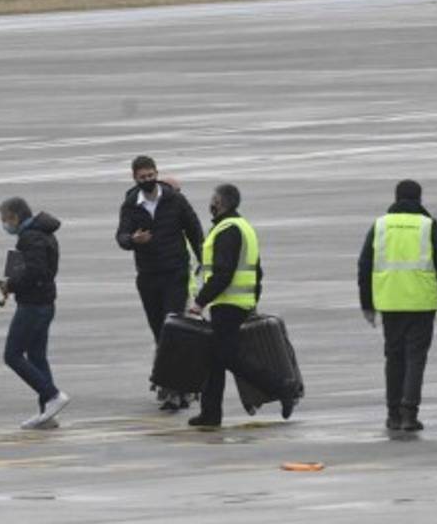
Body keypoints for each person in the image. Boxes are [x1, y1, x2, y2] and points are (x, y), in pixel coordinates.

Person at [188, 184, 299, 428]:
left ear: (220, 202)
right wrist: (253, 300)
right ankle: (210, 413)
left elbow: (223, 273)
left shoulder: (227, 230)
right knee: (214, 358)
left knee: (226, 355)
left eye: (213, 200)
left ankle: (281, 388)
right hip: (238, 302)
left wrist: (200, 301)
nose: (211, 204)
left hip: (228, 304)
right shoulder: (243, 227)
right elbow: (258, 271)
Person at [357, 180, 437, 432]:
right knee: (415, 359)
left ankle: (392, 414)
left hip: (389, 303)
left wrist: (367, 303)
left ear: (396, 197)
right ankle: (409, 414)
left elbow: (364, 266)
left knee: (394, 358)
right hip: (421, 304)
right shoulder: (428, 226)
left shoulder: (380, 225)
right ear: (420, 199)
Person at [115, 156, 204, 411]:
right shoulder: (131, 204)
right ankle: (176, 387)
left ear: (157, 173)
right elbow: (120, 237)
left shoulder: (175, 200)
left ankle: (174, 390)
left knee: (172, 330)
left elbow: (194, 230)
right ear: (135, 178)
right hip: (148, 276)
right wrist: (133, 240)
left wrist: (203, 259)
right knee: (159, 333)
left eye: (150, 175)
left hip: (175, 273)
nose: (147, 180)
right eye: (142, 177)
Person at [0, 197, 71, 429]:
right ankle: (47, 414)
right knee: (37, 356)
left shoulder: (30, 238)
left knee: (12, 355)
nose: (5, 225)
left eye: (5, 219)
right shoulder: (42, 233)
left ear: (16, 217)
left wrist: (11, 284)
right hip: (44, 303)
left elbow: (35, 273)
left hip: (33, 305)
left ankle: (52, 395)